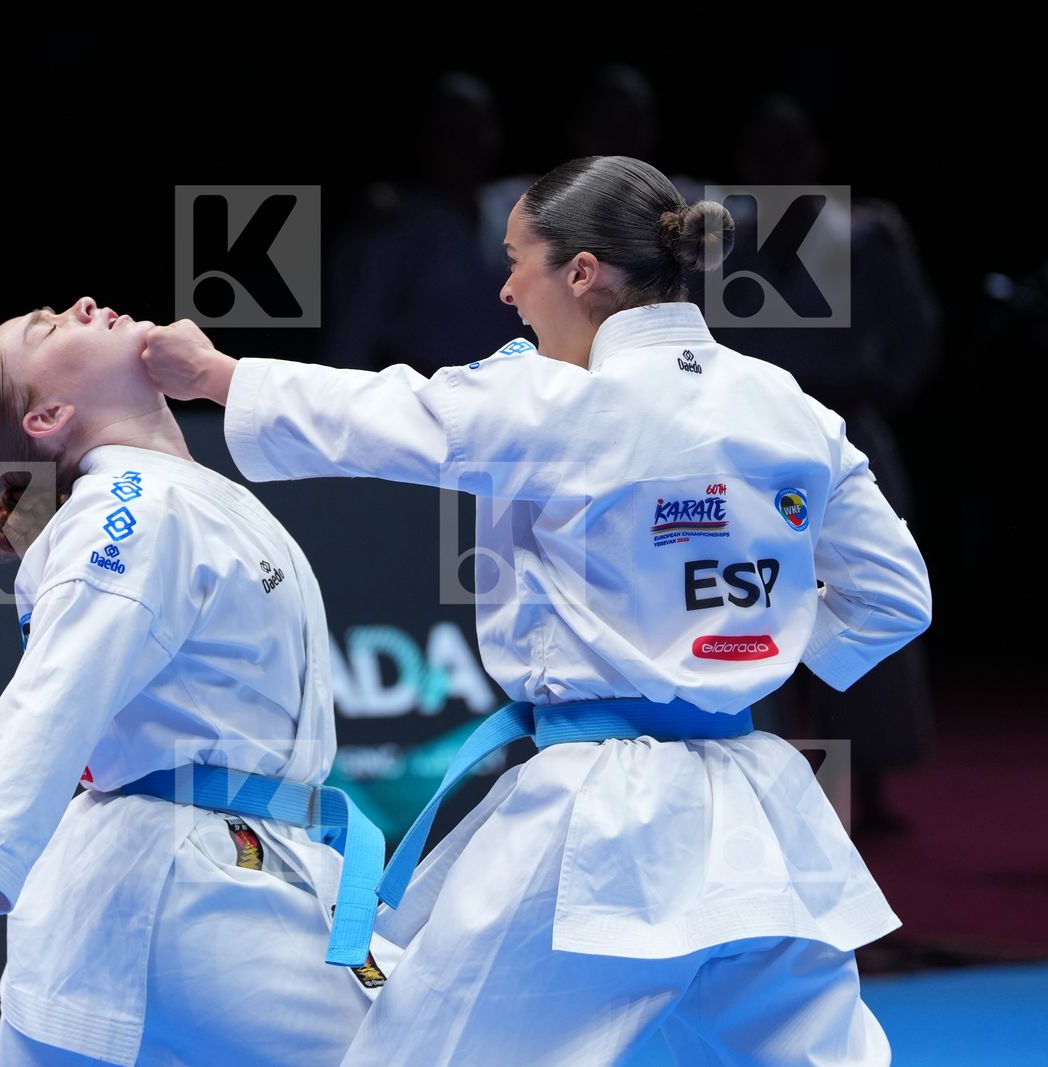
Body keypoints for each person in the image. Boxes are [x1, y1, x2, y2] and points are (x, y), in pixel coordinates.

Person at [140, 156, 932, 1065]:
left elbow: (380, 412)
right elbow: (895, 598)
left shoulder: (554, 397)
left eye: (520, 261)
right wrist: (731, 653)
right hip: (758, 806)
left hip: (600, 818)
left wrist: (214, 372)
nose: (509, 289)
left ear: (582, 272)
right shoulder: (786, 401)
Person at [0, 296, 392, 1067]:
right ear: (48, 415)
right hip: (182, 885)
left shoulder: (164, 498)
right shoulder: (130, 511)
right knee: (423, 1043)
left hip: (158, 878)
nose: (82, 305)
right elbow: (51, 700)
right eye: (49, 326)